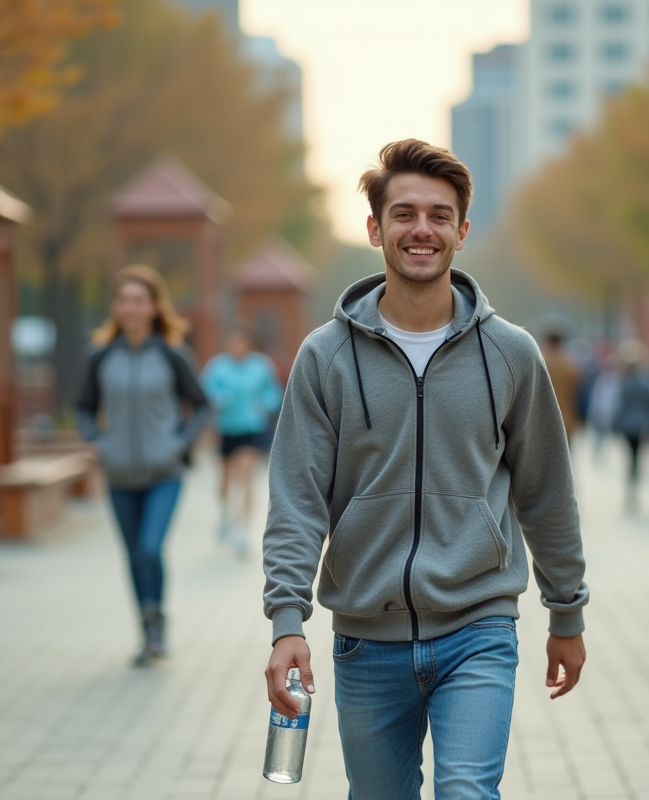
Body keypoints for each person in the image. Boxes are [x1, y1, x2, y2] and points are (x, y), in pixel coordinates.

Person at [262, 139, 589, 798]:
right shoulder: (325, 358)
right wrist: (286, 623)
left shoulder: (510, 354)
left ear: (462, 232)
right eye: (404, 213)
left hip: (478, 627)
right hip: (365, 639)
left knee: (468, 792)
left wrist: (568, 615)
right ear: (374, 228)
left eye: (440, 216)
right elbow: (297, 501)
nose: (422, 229)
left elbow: (546, 494)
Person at [75, 265, 210, 667]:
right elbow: (83, 406)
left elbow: (201, 405)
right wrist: (98, 442)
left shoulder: (172, 355)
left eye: (137, 300)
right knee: (134, 555)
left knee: (151, 547)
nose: (129, 308)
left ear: (153, 307)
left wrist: (180, 443)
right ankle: (147, 629)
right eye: (123, 300)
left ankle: (157, 620)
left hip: (163, 473)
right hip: (118, 475)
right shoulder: (100, 357)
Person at [201, 324, 283, 554]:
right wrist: (218, 398)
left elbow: (273, 391)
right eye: (233, 342)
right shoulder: (218, 367)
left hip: (251, 426)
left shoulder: (261, 366)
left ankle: (242, 529)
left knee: (245, 475)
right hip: (226, 428)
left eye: (241, 342)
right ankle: (226, 514)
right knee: (225, 481)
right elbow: (206, 390)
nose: (237, 346)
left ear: (249, 344)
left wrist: (265, 405)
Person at [610, 340, 649, 512]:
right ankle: (634, 486)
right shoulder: (646, 382)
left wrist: (614, 425)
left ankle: (630, 486)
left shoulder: (623, 384)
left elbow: (618, 406)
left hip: (626, 426)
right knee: (637, 457)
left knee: (630, 457)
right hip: (642, 426)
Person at [541, 329, 583, 448]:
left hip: (542, 421)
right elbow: (578, 396)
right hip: (567, 420)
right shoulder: (571, 366)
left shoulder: (540, 363)